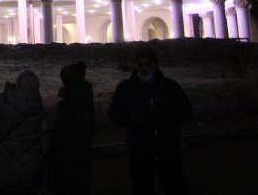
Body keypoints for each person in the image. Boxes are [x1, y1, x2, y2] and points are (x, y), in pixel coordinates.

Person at [108, 47, 192, 195]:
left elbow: (186, 113)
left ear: (155, 65)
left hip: (166, 147)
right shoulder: (125, 88)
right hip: (140, 149)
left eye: (148, 64)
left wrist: (166, 115)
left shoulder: (170, 87)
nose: (144, 68)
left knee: (173, 186)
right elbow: (114, 114)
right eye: (140, 64)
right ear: (135, 65)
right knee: (142, 187)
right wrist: (130, 118)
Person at [0, 70, 46, 195]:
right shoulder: (38, 105)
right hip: (31, 166)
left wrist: (6, 94)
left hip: (4, 166)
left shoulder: (6, 104)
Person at [47, 61, 95, 195]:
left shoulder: (67, 104)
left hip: (67, 155)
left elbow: (60, 134)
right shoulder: (86, 97)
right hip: (81, 152)